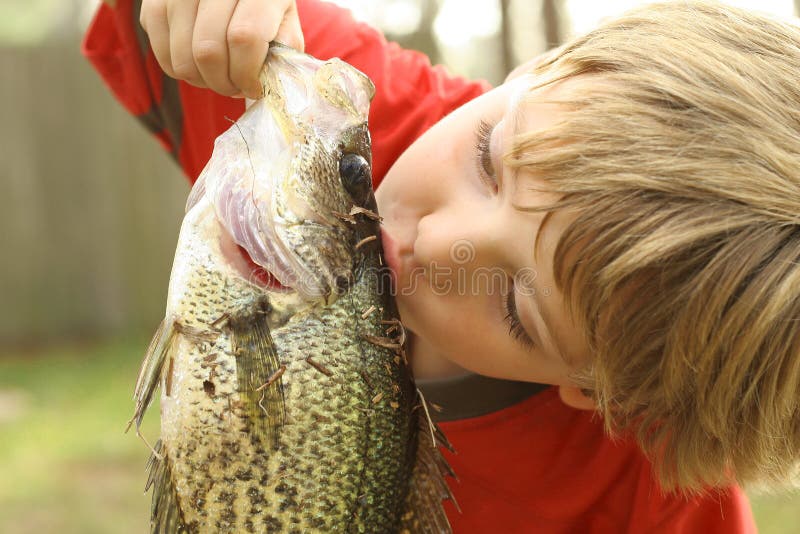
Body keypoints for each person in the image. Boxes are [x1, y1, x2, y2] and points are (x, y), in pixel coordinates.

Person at [83, 0, 800, 531]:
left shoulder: (658, 510)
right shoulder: (316, 112)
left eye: (518, 308)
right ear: (535, 71)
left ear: (599, 392)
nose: (437, 241)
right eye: (488, 158)